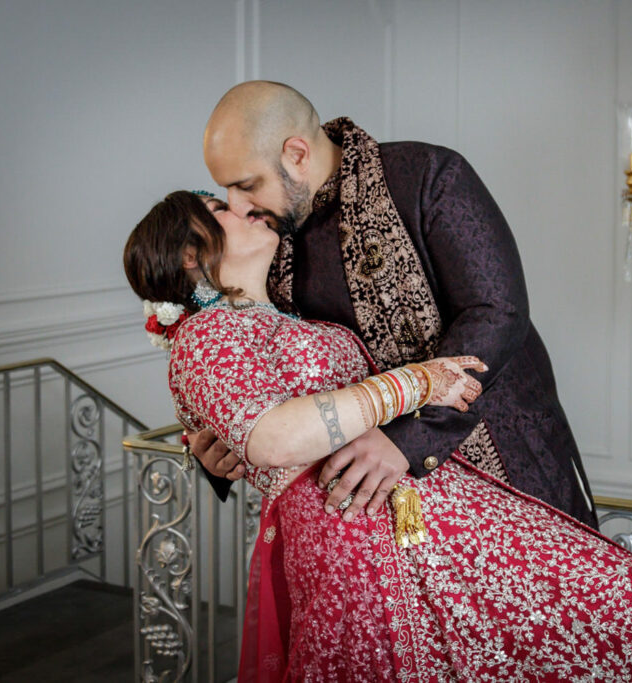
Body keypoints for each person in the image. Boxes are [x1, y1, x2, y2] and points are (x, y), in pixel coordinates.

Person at [124, 190, 632, 682]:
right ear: (192, 254)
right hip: (358, 545)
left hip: (418, 515)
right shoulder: (208, 336)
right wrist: (417, 382)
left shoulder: (278, 315)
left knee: (626, 603)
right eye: (222, 207)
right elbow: (270, 439)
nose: (246, 205)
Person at [191, 80, 597, 529]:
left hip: (504, 459)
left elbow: (496, 312)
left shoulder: (427, 175)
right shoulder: (267, 238)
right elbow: (255, 353)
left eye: (247, 185)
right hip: (367, 515)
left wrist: (408, 438)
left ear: (297, 155)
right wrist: (230, 439)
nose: (238, 206)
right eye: (226, 191)